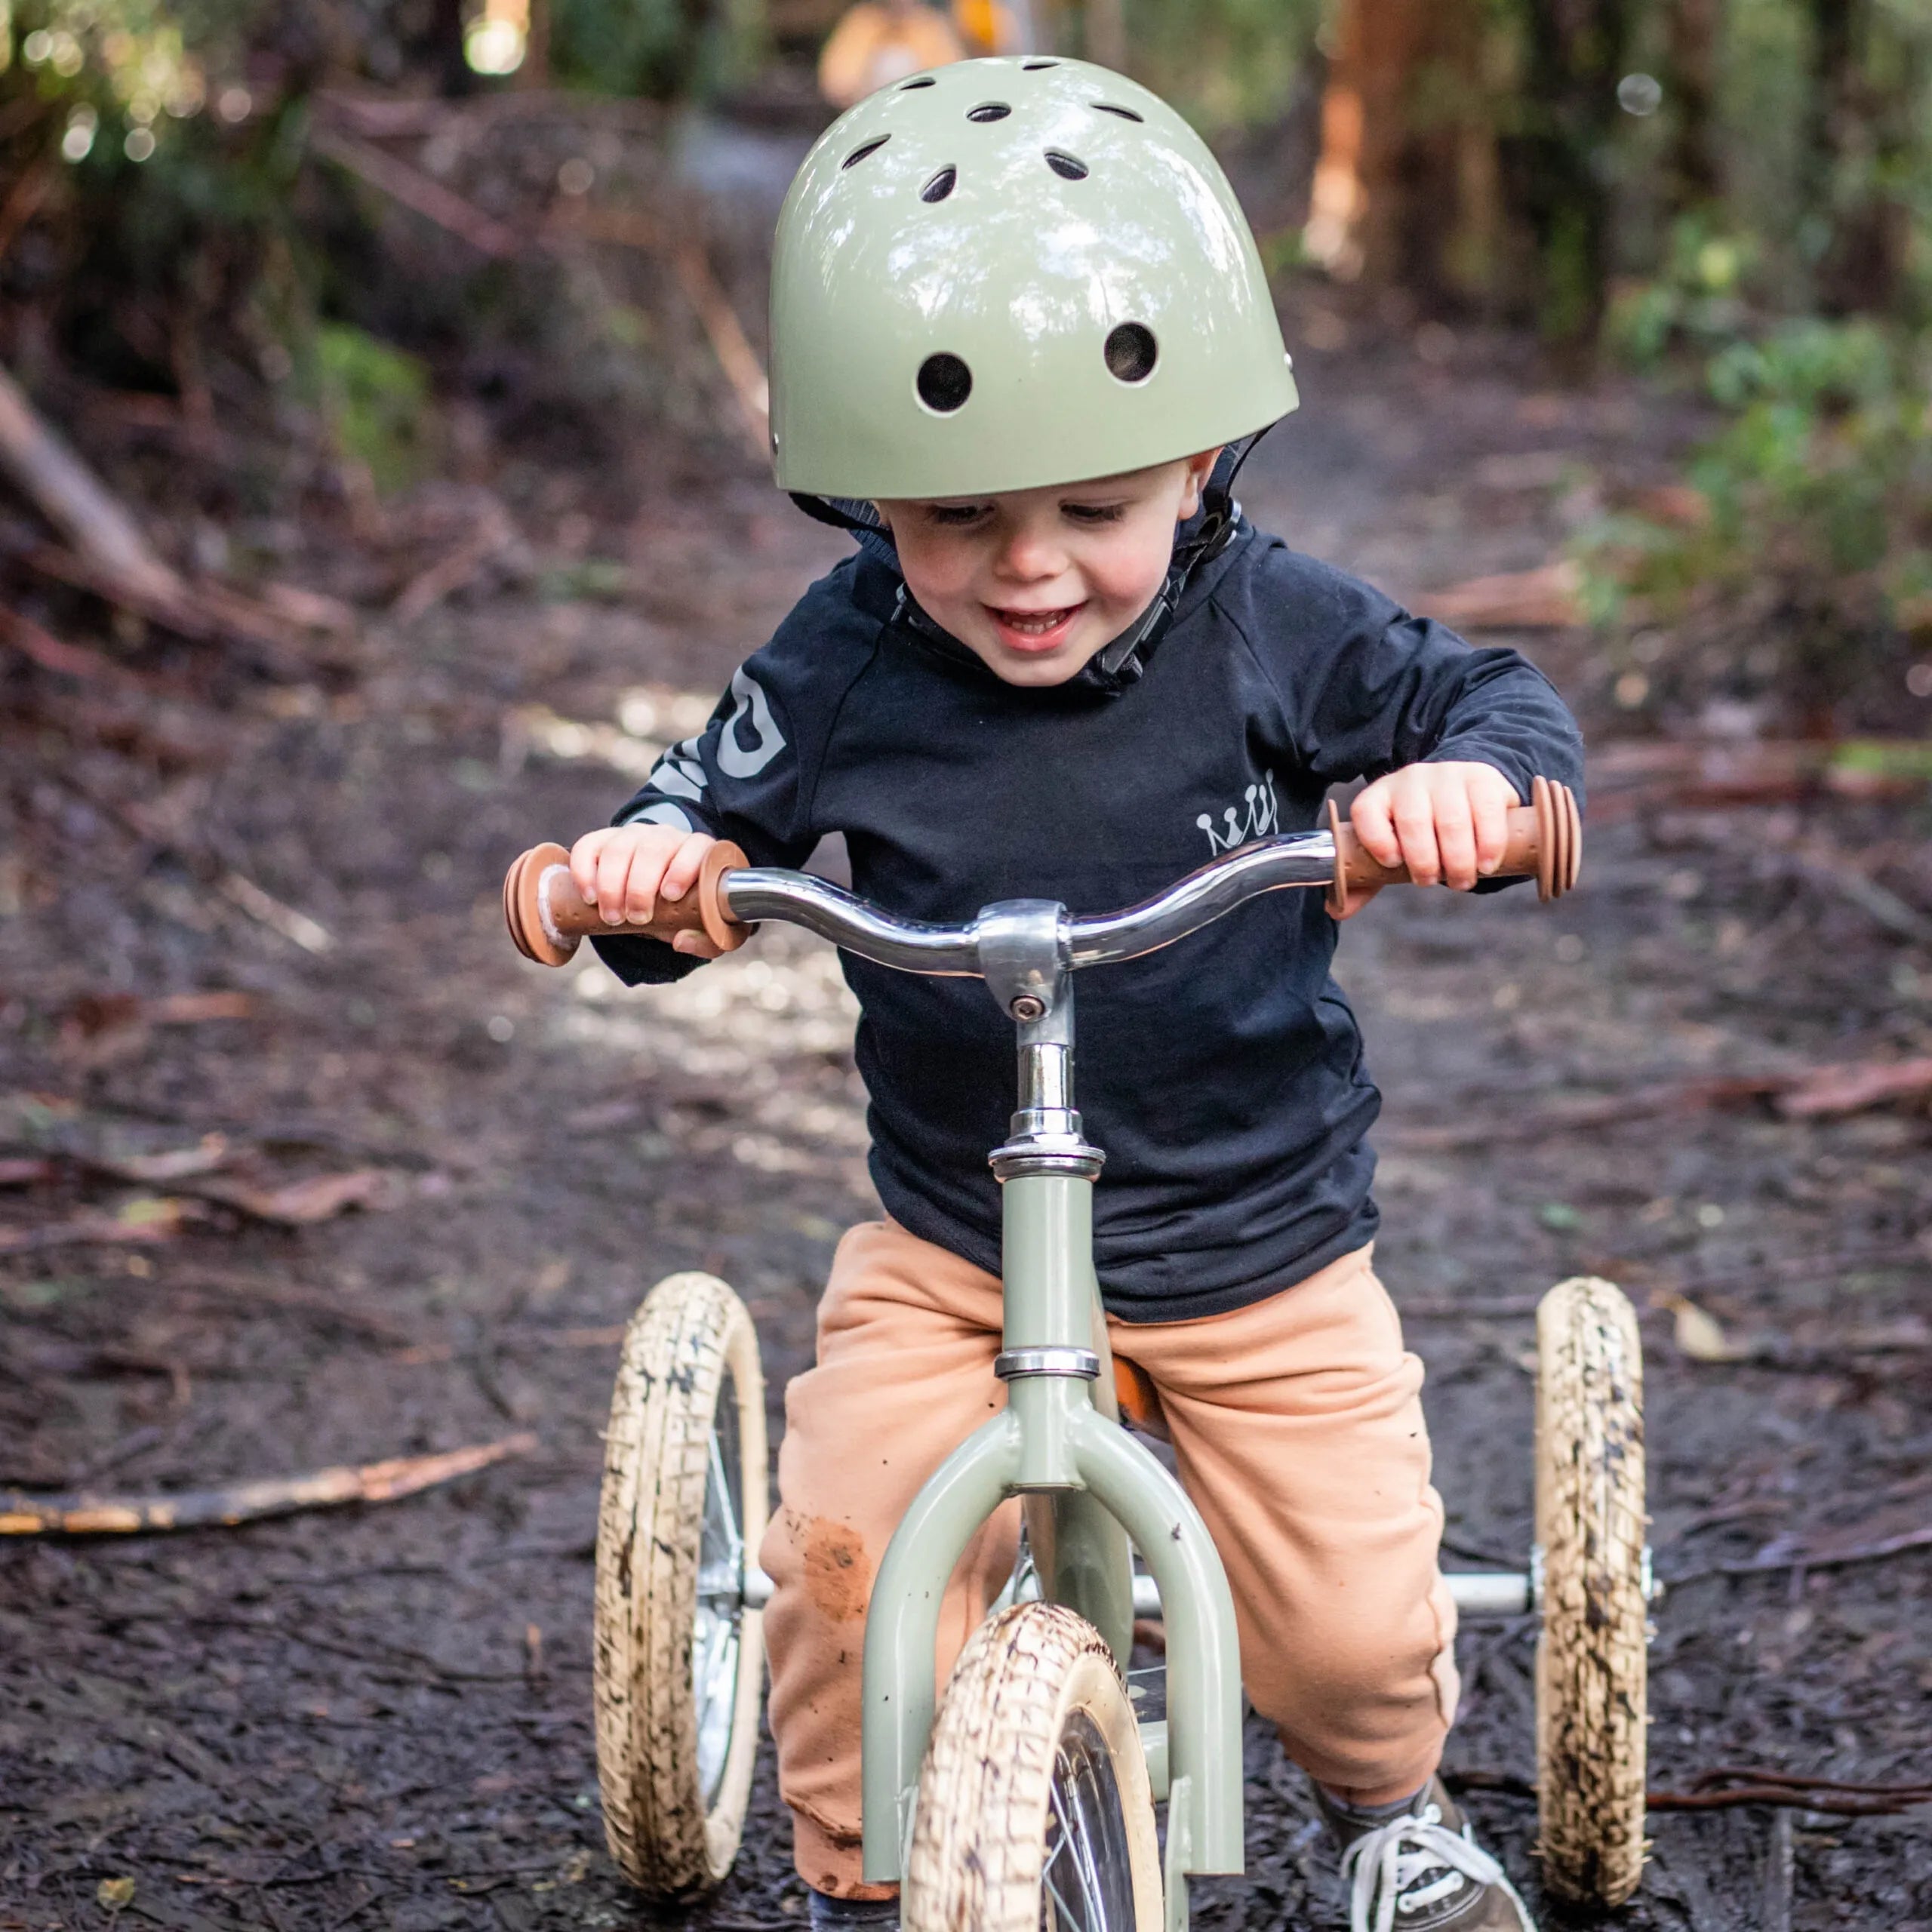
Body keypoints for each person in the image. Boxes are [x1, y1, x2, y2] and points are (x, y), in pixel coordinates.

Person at [574, 57, 1578, 1932]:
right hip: (954, 1235)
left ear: (1203, 458)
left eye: (1095, 505)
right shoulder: (852, 644)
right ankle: (873, 1872)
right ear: (867, 494)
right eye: (954, 520)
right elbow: (702, 796)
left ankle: (1392, 1813)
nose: (1027, 568)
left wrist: (1468, 792)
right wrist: (648, 864)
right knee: (850, 1550)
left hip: (1251, 1234)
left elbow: (1487, 702)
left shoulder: (1273, 620)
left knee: (1350, 1627)